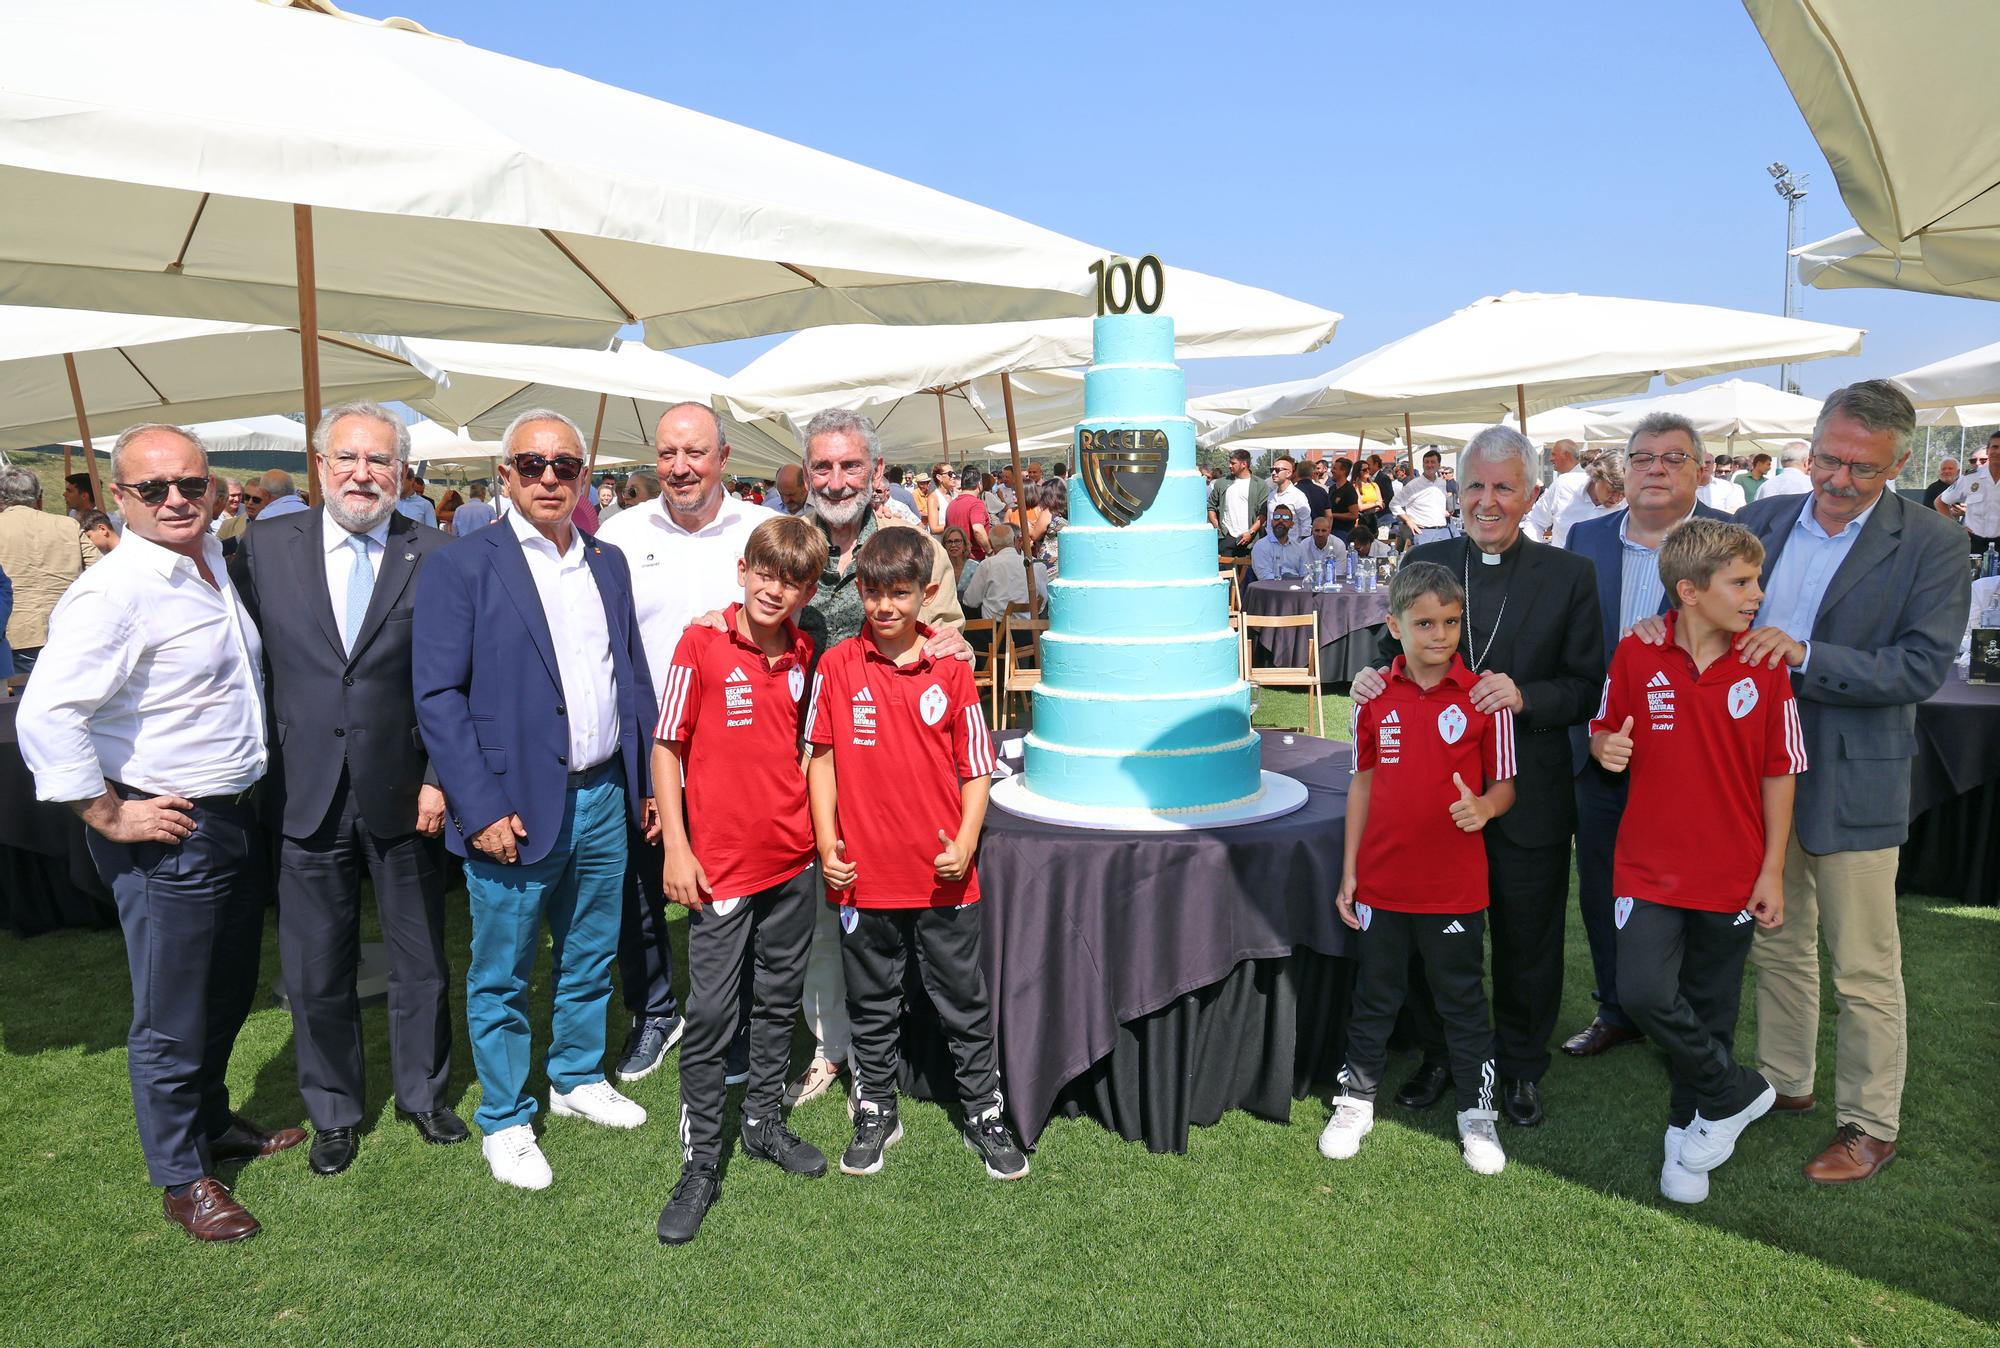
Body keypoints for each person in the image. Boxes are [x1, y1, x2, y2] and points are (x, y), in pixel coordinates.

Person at [18, 423, 303, 1242]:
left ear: (214, 488)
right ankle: (182, 1176)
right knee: (172, 1010)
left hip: (232, 815)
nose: (177, 500)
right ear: (120, 498)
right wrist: (108, 812)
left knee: (223, 988)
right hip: (169, 828)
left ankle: (211, 1120)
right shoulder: (115, 590)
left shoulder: (209, 564)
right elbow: (48, 713)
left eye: (192, 484)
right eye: (154, 489)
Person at [1726, 381, 1968, 1184]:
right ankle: (1783, 1080)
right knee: (1779, 939)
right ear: (1813, 442)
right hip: (1757, 776)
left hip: (1854, 778)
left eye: (1862, 471)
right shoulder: (1759, 521)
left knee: (1864, 964)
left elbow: (1921, 666)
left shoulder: (1931, 543)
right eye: (1828, 458)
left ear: (1900, 464)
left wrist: (1806, 656)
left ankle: (1870, 1122)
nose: (1838, 480)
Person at [412, 408, 657, 1190]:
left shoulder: (609, 563)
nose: (548, 477)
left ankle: (577, 1076)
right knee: (503, 971)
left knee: (589, 954)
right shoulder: (462, 564)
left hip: (602, 793)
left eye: (564, 465)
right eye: (532, 464)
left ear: (585, 476)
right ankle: (506, 1117)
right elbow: (438, 695)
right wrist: (476, 808)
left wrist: (645, 783)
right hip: (511, 806)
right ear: (505, 474)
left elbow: (632, 682)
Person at [230, 402, 464, 1179]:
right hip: (305, 791)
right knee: (314, 964)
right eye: (349, 459)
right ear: (319, 466)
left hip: (405, 789)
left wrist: (438, 777)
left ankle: (425, 1095)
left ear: (402, 473)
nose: (364, 475)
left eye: (381, 462)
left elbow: (451, 679)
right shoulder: (261, 547)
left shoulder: (433, 551)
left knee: (420, 957)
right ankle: (333, 1110)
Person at [1351, 427, 1603, 1127]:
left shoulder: (1568, 575)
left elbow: (1586, 686)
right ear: (1456, 493)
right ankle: (1441, 1053)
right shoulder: (1429, 557)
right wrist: (1373, 676)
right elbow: (1388, 646)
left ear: (1531, 494)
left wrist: (1525, 696)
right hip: (1435, 801)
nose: (1487, 502)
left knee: (1529, 939)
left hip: (1530, 794)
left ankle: (1521, 1066)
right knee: (1433, 940)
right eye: (1474, 487)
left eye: (1502, 487)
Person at [1589, 518, 1802, 1203]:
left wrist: (1770, 869)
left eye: (1756, 580)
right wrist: (1603, 750)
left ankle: (1688, 1144)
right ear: (1689, 590)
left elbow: (1780, 770)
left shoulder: (1765, 665)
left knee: (1710, 1010)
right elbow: (1603, 727)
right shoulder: (1636, 654)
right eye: (1740, 582)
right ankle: (1737, 1090)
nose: (1756, 595)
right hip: (1647, 864)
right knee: (1646, 992)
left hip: (1732, 872)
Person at [803, 526, 1025, 1180]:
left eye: (900, 594)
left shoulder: (952, 669)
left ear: (926, 594)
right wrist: (826, 844)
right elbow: (821, 761)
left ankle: (984, 1109)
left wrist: (963, 841)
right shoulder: (838, 666)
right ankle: (876, 1105)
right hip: (861, 874)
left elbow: (976, 769)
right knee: (871, 999)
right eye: (873, 593)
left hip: (944, 877)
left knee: (962, 997)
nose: (885, 608)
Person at [780, 409, 968, 1110]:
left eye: (849, 466)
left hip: (899, 766)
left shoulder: (913, 545)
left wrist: (950, 645)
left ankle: (893, 1048)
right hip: (810, 759)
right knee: (824, 917)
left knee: (898, 911)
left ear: (875, 472)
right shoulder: (786, 542)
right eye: (822, 467)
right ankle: (833, 1049)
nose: (835, 480)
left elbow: (951, 635)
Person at [652, 516, 831, 1245]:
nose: (774, 589)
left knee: (777, 998)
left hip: (792, 859)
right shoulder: (699, 643)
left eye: (790, 580)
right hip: (719, 865)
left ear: (807, 590)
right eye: (764, 572)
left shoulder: (805, 650)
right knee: (713, 1012)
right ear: (742, 568)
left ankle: (761, 1121)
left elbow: (801, 748)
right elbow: (667, 748)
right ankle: (700, 1161)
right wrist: (677, 848)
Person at [1319, 561, 1516, 1176]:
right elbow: (1362, 784)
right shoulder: (1376, 697)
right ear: (1394, 626)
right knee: (1376, 995)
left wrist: (1483, 807)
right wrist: (1350, 872)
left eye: (1451, 622)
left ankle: (1476, 1114)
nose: (1440, 635)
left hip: (1454, 886)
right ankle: (1355, 1100)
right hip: (1382, 880)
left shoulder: (1484, 697)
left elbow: (1505, 783)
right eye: (1425, 622)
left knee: (1461, 999)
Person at [598, 402, 776, 1081]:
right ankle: (654, 1011)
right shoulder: (618, 533)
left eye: (694, 453)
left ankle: (735, 1017)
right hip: (649, 736)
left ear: (723, 457)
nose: (679, 467)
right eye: (667, 454)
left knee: (746, 887)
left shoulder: (764, 528)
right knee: (638, 889)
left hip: (745, 740)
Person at [1562, 413, 1733, 1058]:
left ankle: (1678, 1020)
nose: (1655, 469)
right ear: (1623, 470)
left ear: (1700, 469)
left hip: (1688, 760)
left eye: (1672, 457)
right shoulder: (1584, 539)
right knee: (1604, 885)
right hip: (1599, 753)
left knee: (1688, 892)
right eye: (1642, 458)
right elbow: (1568, 650)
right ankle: (1617, 1008)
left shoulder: (1727, 548)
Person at [0, 465, 101, 676]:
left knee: (18, 704)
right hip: (66, 628)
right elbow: (100, 570)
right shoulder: (67, 525)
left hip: (15, 632)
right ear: (37, 494)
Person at [961, 522, 1048, 618]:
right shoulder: (1036, 565)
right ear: (1014, 540)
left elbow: (970, 601)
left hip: (995, 629)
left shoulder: (987, 565)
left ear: (990, 543)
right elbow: (1042, 602)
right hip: (1029, 628)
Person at [1934, 431, 2000, 553]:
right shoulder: (1970, 478)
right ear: (1988, 451)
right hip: (1975, 544)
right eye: (1995, 447)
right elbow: (1940, 502)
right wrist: (1956, 528)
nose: (1998, 451)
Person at [1205, 448, 1268, 558]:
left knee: (1248, 573)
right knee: (1226, 573)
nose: (1230, 466)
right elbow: (1211, 506)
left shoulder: (1259, 485)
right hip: (1226, 538)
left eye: (1233, 463)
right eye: (1229, 462)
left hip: (1251, 541)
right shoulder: (1222, 483)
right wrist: (1218, 527)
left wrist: (1251, 532)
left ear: (1244, 464)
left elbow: (1263, 513)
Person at [1553, 454, 1625, 546]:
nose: (1616, 499)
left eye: (1623, 494)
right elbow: (1535, 521)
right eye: (1612, 491)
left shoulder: (1629, 506)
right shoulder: (1564, 485)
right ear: (1596, 477)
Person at [1525, 439, 1588, 542]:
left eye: (1553, 454)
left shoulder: (1570, 482)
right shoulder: (1561, 482)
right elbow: (1535, 520)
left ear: (1566, 455)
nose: (1550, 459)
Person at [1392, 449, 1452, 547]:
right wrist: (1408, 521)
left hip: (1442, 532)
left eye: (1433, 462)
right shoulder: (1413, 485)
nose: (1429, 465)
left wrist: (1445, 511)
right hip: (1423, 533)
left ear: (1439, 465)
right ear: (1423, 465)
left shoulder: (1442, 483)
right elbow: (1394, 504)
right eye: (1426, 462)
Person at [945, 464, 995, 559]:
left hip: (955, 558)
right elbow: (977, 529)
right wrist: (989, 551)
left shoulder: (951, 505)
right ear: (979, 484)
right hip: (973, 559)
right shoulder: (976, 504)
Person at [1250, 504, 1312, 581]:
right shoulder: (1261, 546)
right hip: (1271, 589)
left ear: (1291, 524)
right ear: (1272, 522)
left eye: (1285, 518)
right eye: (1277, 518)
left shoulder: (1299, 548)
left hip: (1296, 589)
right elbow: (1263, 576)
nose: (1281, 521)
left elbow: (1305, 574)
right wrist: (1286, 579)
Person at [1261, 455, 1312, 540]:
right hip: (1273, 544)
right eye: (1272, 470)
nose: (1273, 473)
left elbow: (1306, 524)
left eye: (1277, 470)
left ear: (1289, 473)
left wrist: (1300, 545)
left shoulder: (1298, 496)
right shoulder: (1271, 495)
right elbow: (1270, 522)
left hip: (1293, 545)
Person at [1325, 457, 1362, 533]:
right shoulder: (1332, 488)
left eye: (1334, 468)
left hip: (1343, 532)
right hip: (1331, 530)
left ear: (1343, 471)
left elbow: (1354, 515)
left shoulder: (1349, 490)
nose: (1331, 471)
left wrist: (1332, 515)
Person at [941, 525, 975, 595]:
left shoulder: (975, 567)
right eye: (949, 542)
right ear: (944, 546)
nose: (953, 545)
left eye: (957, 541)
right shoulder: (939, 567)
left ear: (964, 544)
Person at [925, 462, 957, 534]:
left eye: (954, 473)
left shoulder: (955, 495)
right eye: (950, 474)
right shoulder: (933, 498)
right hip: (940, 542)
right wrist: (956, 526)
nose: (954, 476)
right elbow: (934, 528)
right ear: (939, 477)